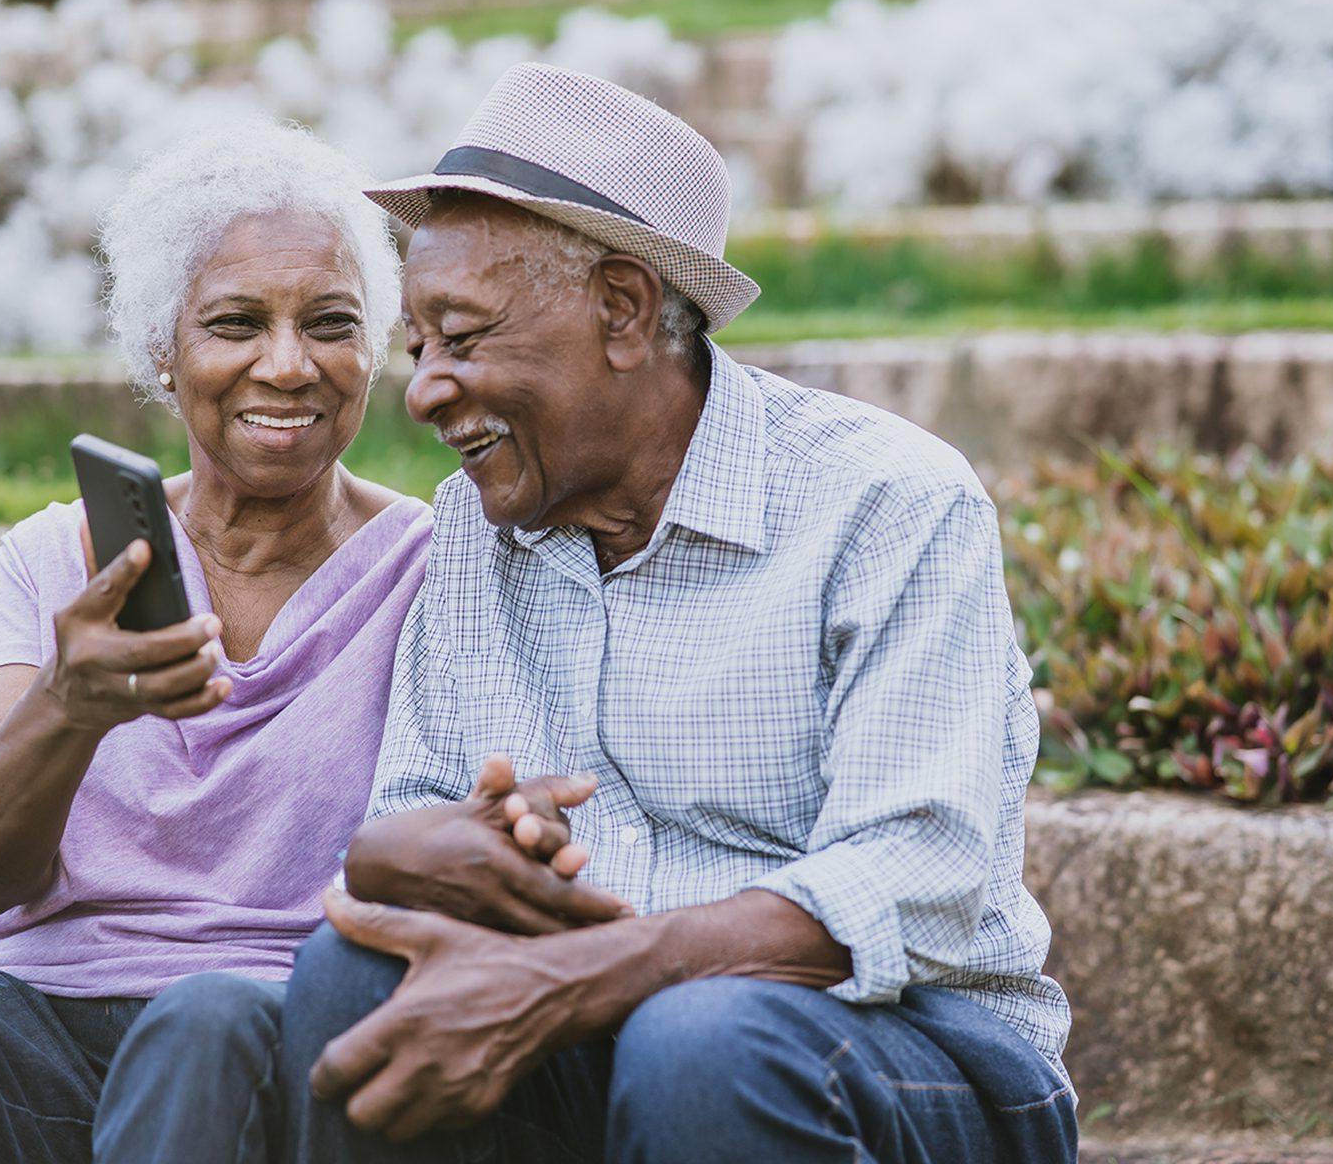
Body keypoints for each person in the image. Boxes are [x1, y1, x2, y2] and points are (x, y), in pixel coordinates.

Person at [280, 63, 1078, 1163]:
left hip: (908, 1048)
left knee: (699, 1039)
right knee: (355, 975)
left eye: (462, 338)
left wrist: (586, 973)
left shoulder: (889, 501)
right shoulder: (475, 522)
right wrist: (448, 851)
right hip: (606, 1021)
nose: (423, 389)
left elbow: (916, 873)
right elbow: (408, 815)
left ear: (622, 311)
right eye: (419, 347)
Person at [0, 121, 431, 1164]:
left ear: (372, 344)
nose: (288, 365)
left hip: (263, 1043)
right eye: (236, 322)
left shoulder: (426, 566)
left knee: (200, 1023)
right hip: (38, 1024)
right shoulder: (51, 558)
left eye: (330, 322)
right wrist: (69, 704)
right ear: (164, 347)